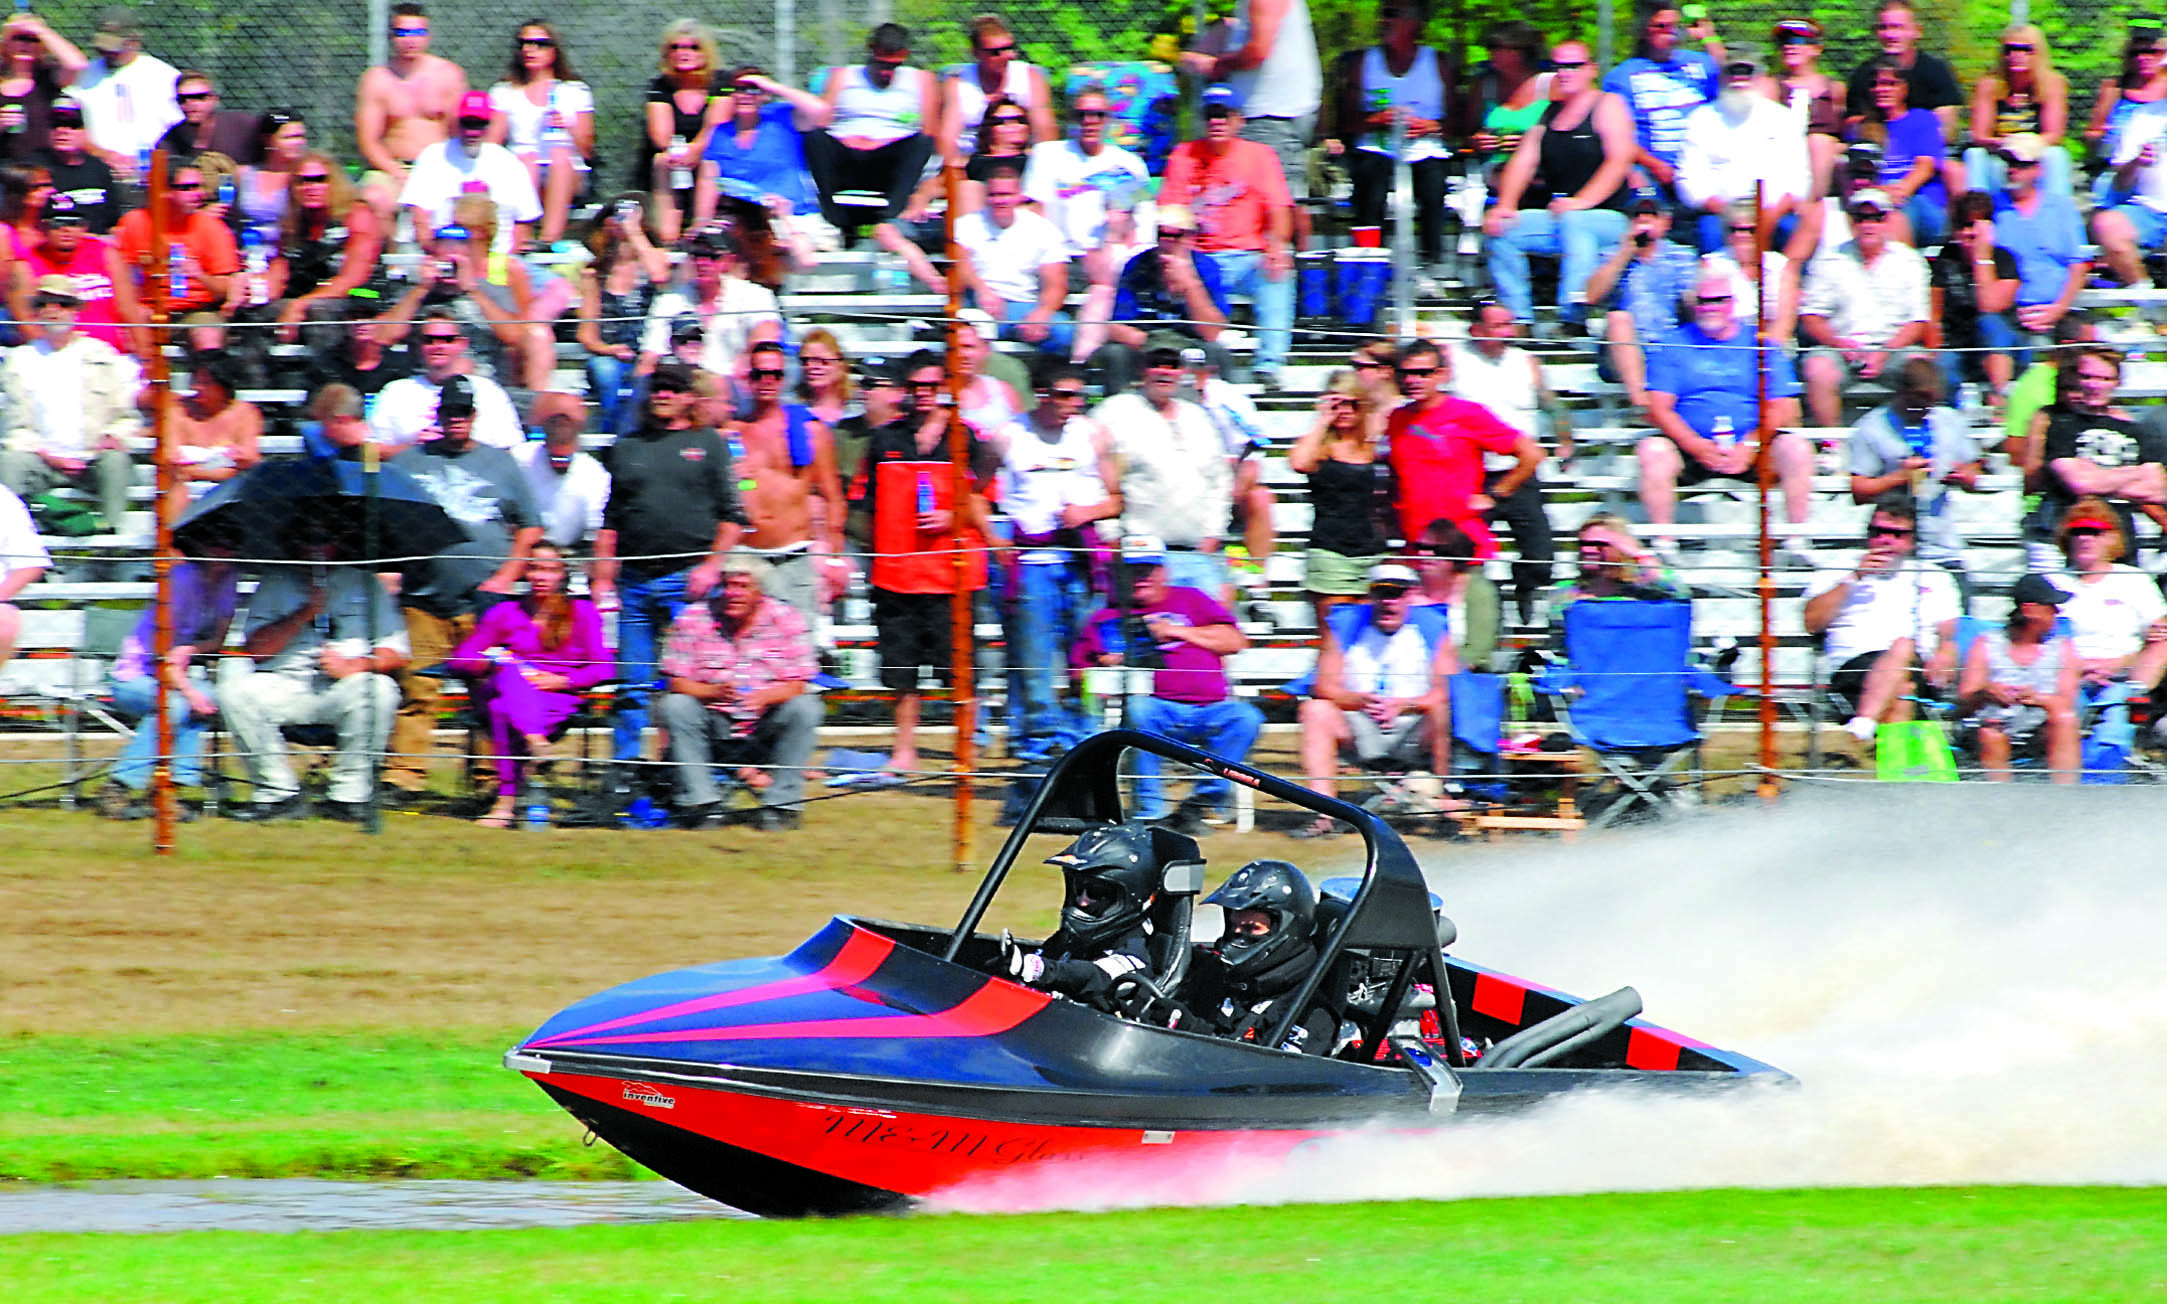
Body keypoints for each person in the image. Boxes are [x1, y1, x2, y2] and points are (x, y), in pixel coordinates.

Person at [382, 373, 543, 804]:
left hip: (484, 601)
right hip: (423, 596)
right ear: (440, 414)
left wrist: (508, 575)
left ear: (473, 416)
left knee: (488, 693)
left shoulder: (501, 464)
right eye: (450, 411)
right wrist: (390, 567)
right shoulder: (409, 463)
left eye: (464, 412)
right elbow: (381, 520)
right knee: (418, 689)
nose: (457, 419)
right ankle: (404, 777)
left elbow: (530, 526)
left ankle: (493, 778)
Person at [591, 359, 749, 767]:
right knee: (631, 685)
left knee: (695, 682)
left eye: (673, 388)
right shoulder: (627, 448)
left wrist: (712, 566)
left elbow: (733, 515)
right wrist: (602, 577)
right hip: (636, 581)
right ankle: (625, 771)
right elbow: (612, 519)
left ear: (689, 397)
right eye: (658, 387)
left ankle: (693, 766)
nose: (663, 394)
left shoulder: (709, 444)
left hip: (690, 578)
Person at [854, 349, 998, 778]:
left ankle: (964, 750)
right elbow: (862, 505)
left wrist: (952, 517)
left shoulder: (966, 439)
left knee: (959, 673)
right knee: (901, 673)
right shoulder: (883, 440)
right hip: (895, 576)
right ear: (904, 390)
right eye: (915, 386)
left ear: (945, 389)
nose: (923, 394)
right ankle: (904, 751)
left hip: (950, 576)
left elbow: (985, 502)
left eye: (931, 386)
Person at [219, 520, 408, 822]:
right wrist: (306, 611)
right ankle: (277, 794)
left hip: (343, 686)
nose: (315, 547)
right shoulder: (275, 583)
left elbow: (396, 652)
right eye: (306, 538)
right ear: (292, 542)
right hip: (284, 683)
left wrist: (353, 665)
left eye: (324, 538)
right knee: (235, 692)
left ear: (340, 541)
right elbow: (256, 650)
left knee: (380, 690)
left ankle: (349, 796)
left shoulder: (366, 584)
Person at [1077, 535, 1258, 831]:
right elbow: (1083, 669)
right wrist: (1109, 661)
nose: (1140, 578)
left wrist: (1177, 632)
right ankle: (1150, 812)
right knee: (1138, 710)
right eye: (1132, 570)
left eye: (1147, 569)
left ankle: (1199, 805)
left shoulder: (1191, 599)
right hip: (1156, 709)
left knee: (1246, 718)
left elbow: (1235, 641)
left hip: (1211, 708)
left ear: (1162, 570)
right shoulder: (1107, 615)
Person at [991, 360, 1117, 764]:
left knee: (1089, 653)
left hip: (1080, 557)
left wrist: (1088, 512)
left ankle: (1087, 731)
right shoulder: (1009, 436)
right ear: (1041, 394)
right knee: (1034, 658)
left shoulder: (1093, 435)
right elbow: (973, 493)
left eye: (1079, 395)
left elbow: (1117, 498)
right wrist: (994, 539)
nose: (1073, 403)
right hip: (1031, 560)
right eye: (1064, 394)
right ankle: (1039, 740)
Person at [1638, 272, 1813, 546]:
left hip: (1754, 449)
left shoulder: (1763, 345)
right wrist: (1695, 445)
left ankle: (1797, 540)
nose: (1709, 307)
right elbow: (1659, 408)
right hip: (1689, 450)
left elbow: (1780, 406)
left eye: (1718, 300)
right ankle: (1663, 542)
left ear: (1732, 303)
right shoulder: (1670, 345)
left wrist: (1751, 444)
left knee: (1797, 448)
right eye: (1703, 301)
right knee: (1652, 450)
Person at [446, 542, 609, 826]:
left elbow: (603, 667)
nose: (540, 577)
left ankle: (506, 803)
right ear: (524, 572)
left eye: (549, 569)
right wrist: (492, 663)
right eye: (534, 568)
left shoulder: (582, 613)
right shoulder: (505, 612)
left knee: (501, 708)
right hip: (510, 688)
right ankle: (536, 743)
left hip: (554, 697)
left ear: (563, 574)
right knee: (508, 671)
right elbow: (459, 659)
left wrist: (562, 680)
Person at [653, 555, 820, 831]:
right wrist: (712, 691)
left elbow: (799, 683)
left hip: (766, 723)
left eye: (743, 586)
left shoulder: (787, 619)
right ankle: (702, 805)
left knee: (806, 707)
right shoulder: (694, 618)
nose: (733, 593)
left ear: (760, 592)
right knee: (676, 705)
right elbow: (676, 681)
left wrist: (765, 697)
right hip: (712, 720)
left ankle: (782, 807)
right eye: (728, 585)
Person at [1295, 562, 1455, 837]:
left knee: (1442, 709)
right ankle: (1324, 813)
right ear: (1371, 596)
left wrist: (1404, 704)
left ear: (1409, 596)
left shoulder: (1432, 629)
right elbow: (1324, 685)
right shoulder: (1345, 627)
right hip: (1359, 723)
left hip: (1413, 726)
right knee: (1314, 710)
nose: (1388, 602)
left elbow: (1446, 689)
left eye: (1396, 594)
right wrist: (1359, 700)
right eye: (1382, 593)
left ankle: (1446, 807)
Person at [1484, 40, 1634, 331]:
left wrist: (1581, 203)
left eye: (1573, 66)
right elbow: (1524, 161)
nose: (1564, 73)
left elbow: (1619, 161)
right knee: (1501, 231)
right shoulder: (1548, 114)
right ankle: (1519, 319)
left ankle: (1572, 314)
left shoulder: (1608, 105)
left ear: (1591, 69)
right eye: (1558, 66)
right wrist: (1504, 206)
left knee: (1574, 222)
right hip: (1562, 217)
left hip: (1609, 219)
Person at [1802, 493, 1959, 755]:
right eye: (1878, 532)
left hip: (1917, 665)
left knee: (1903, 649)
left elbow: (1948, 631)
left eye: (1897, 534)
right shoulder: (1838, 570)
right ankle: (1902, 782)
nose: (1885, 540)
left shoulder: (1935, 576)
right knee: (1902, 691)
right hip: (1854, 668)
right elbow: (1812, 623)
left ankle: (1861, 729)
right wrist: (1855, 577)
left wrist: (1945, 650)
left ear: (1912, 540)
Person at [1157, 85, 1294, 384]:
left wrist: (1277, 244)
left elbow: (1280, 209)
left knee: (1279, 273)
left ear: (1239, 120)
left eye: (1224, 115)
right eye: (1211, 115)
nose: (1217, 122)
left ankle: (1269, 365)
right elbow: (1170, 214)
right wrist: (1180, 256)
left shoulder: (1260, 156)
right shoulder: (1184, 155)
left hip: (1248, 257)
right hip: (1198, 256)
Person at [93, 544, 239, 819]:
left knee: (200, 702)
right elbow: (162, 658)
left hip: (177, 675)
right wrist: (188, 690)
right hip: (133, 677)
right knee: (175, 706)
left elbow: (217, 640)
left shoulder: (229, 579)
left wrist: (190, 650)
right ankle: (118, 787)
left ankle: (166, 791)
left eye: (231, 545)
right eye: (216, 545)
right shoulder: (180, 581)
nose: (224, 552)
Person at [1449, 303, 1573, 623]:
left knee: (1541, 554)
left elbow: (1550, 402)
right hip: (1471, 473)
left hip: (1520, 471)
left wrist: (1565, 438)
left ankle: (1525, 586)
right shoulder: (1453, 359)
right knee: (1464, 553)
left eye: (1510, 324)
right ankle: (1476, 611)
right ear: (1475, 329)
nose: (1507, 332)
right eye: (1498, 326)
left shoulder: (1524, 361)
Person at [0, 274, 139, 533]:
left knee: (117, 461)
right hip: (40, 459)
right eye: (44, 304)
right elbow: (16, 427)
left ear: (76, 310)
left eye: (62, 303)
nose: (52, 311)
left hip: (93, 457)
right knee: (9, 462)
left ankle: (109, 535)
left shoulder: (102, 354)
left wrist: (112, 437)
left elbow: (126, 416)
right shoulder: (20, 360)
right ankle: (15, 540)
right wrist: (49, 456)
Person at [1383, 338, 1541, 564]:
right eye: (1406, 373)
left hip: (1462, 543)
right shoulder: (1397, 419)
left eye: (1423, 373)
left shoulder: (1467, 414)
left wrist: (1495, 494)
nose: (1413, 380)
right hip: (1417, 544)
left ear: (1442, 374)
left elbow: (1532, 454)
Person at [1022, 82, 1148, 363]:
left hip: (1108, 258)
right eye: (1082, 115)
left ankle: (1081, 361)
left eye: (1098, 115)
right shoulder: (1047, 156)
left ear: (1109, 118)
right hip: (1058, 256)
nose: (1090, 121)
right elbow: (1034, 213)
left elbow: (1139, 225)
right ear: (1071, 118)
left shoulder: (1129, 165)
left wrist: (1108, 250)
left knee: (1104, 282)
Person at [1093, 345, 1232, 597]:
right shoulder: (1115, 412)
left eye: (1173, 366)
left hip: (1198, 554)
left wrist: (1213, 533)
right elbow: (1095, 477)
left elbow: (1219, 480)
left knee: (1211, 628)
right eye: (1156, 364)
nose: (1164, 372)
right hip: (1141, 558)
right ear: (1142, 370)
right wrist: (1110, 536)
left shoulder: (1198, 417)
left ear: (1183, 373)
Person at [1183, 0, 1322, 250]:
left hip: (1271, 117)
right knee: (1279, 205)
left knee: (1271, 213)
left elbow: (1258, 50)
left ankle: (1290, 279)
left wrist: (1215, 65)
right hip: (1269, 116)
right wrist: (1227, 31)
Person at [725, 339, 847, 625]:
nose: (767, 381)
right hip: (747, 557)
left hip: (794, 555)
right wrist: (742, 483)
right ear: (747, 378)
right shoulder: (733, 433)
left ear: (784, 377)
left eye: (775, 374)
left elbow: (833, 497)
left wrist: (834, 558)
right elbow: (741, 491)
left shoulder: (808, 430)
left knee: (798, 652)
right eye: (759, 374)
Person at [805, 24, 938, 284]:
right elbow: (822, 120)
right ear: (870, 52)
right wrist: (846, 139)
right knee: (814, 138)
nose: (887, 72)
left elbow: (930, 130)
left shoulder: (921, 80)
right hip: (847, 157)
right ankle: (836, 218)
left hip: (888, 160)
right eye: (881, 64)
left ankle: (890, 217)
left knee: (921, 142)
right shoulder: (844, 77)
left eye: (894, 66)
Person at [1332, 1, 1452, 273]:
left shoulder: (1439, 62)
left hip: (1425, 148)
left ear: (1414, 22)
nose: (1384, 22)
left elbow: (1458, 120)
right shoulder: (1363, 62)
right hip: (1378, 147)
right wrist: (1376, 120)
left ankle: (1431, 266)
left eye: (1392, 15)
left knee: (1433, 189)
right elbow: (1344, 121)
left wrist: (1429, 125)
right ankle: (1368, 261)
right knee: (1369, 186)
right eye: (1382, 15)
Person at [2023, 346, 2167, 568]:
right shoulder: (2060, 423)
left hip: (2119, 536)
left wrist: (2098, 478)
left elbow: (2157, 488)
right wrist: (2134, 473)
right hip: (2065, 534)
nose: (2093, 384)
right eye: (2087, 376)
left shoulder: (2135, 428)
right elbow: (2079, 483)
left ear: (2116, 382)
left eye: (2104, 378)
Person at [1798, 187, 1930, 428]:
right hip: (1840, 348)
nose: (1869, 225)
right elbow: (1811, 316)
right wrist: (1840, 344)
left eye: (1876, 217)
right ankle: (1832, 445)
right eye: (1861, 218)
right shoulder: (1829, 260)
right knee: (1817, 368)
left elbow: (1918, 321)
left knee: (1921, 367)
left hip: (1893, 349)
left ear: (1887, 220)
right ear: (1852, 222)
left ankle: (1914, 441)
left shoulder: (1910, 262)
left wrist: (1885, 351)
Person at [996, 821, 1162, 1007]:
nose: (1081, 901)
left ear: (1128, 898)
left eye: (1096, 892)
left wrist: (1038, 969)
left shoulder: (1134, 956)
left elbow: (1094, 976)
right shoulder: (1070, 941)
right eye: (1078, 888)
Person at [1179, 859, 1335, 1054]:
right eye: (1233, 927)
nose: (1237, 937)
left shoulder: (1307, 1013)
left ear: (1287, 929)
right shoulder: (1215, 975)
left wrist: (1194, 1032)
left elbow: (1267, 1080)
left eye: (1251, 928)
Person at [1847, 358, 1984, 578]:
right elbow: (1859, 490)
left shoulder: (1950, 420)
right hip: (1892, 553)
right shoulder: (1872, 428)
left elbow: (1974, 467)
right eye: (1918, 401)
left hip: (1943, 548)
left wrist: (1967, 476)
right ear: (1901, 392)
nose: (1926, 409)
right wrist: (1899, 477)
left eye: (1931, 402)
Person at [2047, 498, 2167, 728]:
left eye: (2094, 531)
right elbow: (2037, 641)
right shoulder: (2052, 582)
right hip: (2065, 677)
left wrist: (2117, 664)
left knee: (2163, 644)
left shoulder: (2134, 580)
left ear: (2112, 537)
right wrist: (2078, 668)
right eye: (2077, 531)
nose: (2084, 538)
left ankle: (2132, 704)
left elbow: (2159, 635)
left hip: (2124, 674)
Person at [1675, 47, 1807, 251]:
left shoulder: (1782, 118)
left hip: (1774, 213)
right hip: (1721, 214)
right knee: (1709, 233)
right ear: (1722, 77)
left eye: (1746, 72)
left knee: (1795, 230)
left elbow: (1799, 181)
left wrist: (1771, 214)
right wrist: (1727, 213)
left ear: (1760, 77)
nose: (1739, 79)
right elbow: (1689, 181)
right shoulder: (1701, 119)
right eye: (1732, 72)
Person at [691, 67, 831, 259]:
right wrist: (701, 223)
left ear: (764, 95)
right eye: (738, 89)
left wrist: (771, 86)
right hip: (749, 223)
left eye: (752, 89)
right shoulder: (720, 134)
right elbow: (708, 181)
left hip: (794, 216)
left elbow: (821, 111)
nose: (745, 95)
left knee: (805, 251)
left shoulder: (782, 117)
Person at [1956, 571, 2079, 784]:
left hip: (2040, 730)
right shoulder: (1986, 644)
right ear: (2030, 610)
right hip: (1991, 725)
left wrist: (2037, 698)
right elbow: (1963, 704)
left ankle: (2066, 793)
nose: (2057, 612)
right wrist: (1986, 693)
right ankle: (2002, 799)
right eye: (2051, 607)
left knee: (2065, 719)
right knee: (1991, 732)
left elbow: (2066, 702)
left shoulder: (2062, 648)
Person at [1582, 190, 1698, 409]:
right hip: (1620, 351)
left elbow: (1693, 301)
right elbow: (1590, 296)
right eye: (1637, 215)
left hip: (1667, 346)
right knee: (1619, 319)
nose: (1643, 220)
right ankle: (1641, 401)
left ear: (1665, 222)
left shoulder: (1682, 256)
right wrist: (1626, 253)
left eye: (1651, 214)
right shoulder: (1610, 256)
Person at [1289, 370, 1385, 628]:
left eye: (1350, 403)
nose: (1343, 410)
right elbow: (1298, 463)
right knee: (1336, 638)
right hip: (1331, 553)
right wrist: (1322, 420)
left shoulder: (1370, 447)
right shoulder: (1319, 447)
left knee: (1367, 638)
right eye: (1336, 403)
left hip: (1368, 554)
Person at [484, 22, 594, 247]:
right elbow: (491, 144)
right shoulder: (505, 91)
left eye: (539, 44)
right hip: (522, 167)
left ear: (554, 51)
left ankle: (548, 240)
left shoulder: (573, 90)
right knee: (527, 160)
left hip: (566, 170)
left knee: (560, 157)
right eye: (523, 43)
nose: (529, 49)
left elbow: (587, 150)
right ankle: (522, 241)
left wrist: (569, 127)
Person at [1602, 1, 1720, 208]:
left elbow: (1736, 82)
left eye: (1674, 26)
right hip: (1653, 171)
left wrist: (1709, 38)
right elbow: (1617, 135)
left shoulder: (1701, 64)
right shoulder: (1622, 77)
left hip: (1703, 169)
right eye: (1662, 27)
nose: (1671, 33)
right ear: (1646, 30)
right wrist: (1654, 165)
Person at [354, 3, 468, 217]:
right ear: (392, 36)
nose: (410, 39)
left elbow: (460, 131)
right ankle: (387, 249)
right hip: (392, 169)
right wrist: (396, 172)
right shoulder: (377, 79)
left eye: (417, 32)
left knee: (469, 204)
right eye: (403, 32)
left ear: (428, 35)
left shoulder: (448, 75)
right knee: (372, 199)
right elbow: (368, 141)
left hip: (440, 167)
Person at [1099, 209, 1230, 394]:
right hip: (1145, 340)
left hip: (1190, 341)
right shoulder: (1137, 265)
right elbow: (1115, 326)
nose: (1167, 241)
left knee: (1217, 352)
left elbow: (1212, 331)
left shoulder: (1207, 268)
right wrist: (1153, 343)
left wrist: (1190, 285)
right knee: (1115, 353)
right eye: (1162, 234)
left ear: (1190, 237)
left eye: (1175, 235)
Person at [643, 223, 782, 391]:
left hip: (735, 386)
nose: (703, 262)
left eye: (712, 256)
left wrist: (746, 358)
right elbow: (650, 355)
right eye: (697, 254)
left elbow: (767, 337)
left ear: (728, 260)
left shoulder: (755, 295)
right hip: (683, 387)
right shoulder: (669, 300)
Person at [399, 90, 542, 252]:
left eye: (479, 125)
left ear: (489, 125)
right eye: (467, 123)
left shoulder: (509, 163)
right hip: (445, 255)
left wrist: (507, 261)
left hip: (496, 259)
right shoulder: (433, 156)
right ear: (458, 122)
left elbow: (524, 221)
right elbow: (418, 216)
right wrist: (435, 253)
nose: (472, 132)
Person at [574, 197, 669, 435]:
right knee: (606, 373)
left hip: (653, 353)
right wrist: (611, 349)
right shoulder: (594, 273)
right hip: (612, 355)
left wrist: (634, 232)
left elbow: (659, 276)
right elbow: (586, 333)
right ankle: (615, 437)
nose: (622, 222)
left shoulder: (656, 258)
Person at [367, 307, 523, 451]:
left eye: (447, 339)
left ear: (463, 344)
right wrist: (413, 449)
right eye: (429, 340)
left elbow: (512, 451)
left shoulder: (489, 392)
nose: (438, 346)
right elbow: (370, 454)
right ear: (418, 345)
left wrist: (468, 449)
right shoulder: (396, 392)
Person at [954, 163, 1070, 356]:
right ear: (986, 196)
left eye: (1006, 195)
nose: (1000, 201)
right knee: (970, 331)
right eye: (994, 195)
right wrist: (982, 290)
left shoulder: (1044, 230)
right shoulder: (967, 225)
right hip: (980, 304)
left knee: (1065, 331)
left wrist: (1042, 313)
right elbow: (960, 263)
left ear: (1019, 196)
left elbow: (1056, 284)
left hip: (1025, 306)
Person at [1992, 135, 2088, 359]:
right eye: (2007, 163)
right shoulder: (1990, 208)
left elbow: (2078, 266)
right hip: (2008, 313)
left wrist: (2058, 309)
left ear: (2038, 169)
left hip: (2059, 312)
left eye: (2020, 164)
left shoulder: (2062, 208)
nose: (2011, 170)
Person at [272, 152, 385, 340]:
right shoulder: (293, 224)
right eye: (303, 181)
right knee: (261, 314)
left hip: (358, 296)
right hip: (305, 297)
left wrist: (300, 304)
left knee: (319, 313)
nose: (311, 187)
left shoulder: (357, 214)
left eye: (319, 180)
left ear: (333, 183)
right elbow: (277, 273)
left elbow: (353, 278)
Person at [10, 191, 136, 354]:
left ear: (84, 226)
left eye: (74, 222)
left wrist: (147, 358)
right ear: (42, 226)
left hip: (109, 355)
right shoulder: (25, 264)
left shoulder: (105, 253)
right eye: (57, 223)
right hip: (57, 356)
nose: (66, 229)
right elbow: (27, 322)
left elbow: (130, 310)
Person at [113, 156, 237, 317]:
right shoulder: (133, 222)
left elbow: (226, 288)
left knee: (206, 332)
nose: (198, 194)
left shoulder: (212, 226)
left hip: (196, 309)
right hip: (146, 310)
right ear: (163, 191)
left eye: (199, 187)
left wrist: (200, 275)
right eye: (187, 188)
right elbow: (120, 277)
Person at [1852, 54, 1954, 246]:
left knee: (1897, 215)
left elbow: (1925, 168)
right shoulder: (1861, 128)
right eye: (1874, 84)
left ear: (1904, 88)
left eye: (1889, 83)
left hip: (1918, 202)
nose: (1881, 89)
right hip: (1873, 204)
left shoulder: (1922, 120)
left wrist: (1900, 191)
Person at [70, 8, 176, 184]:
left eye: (115, 46)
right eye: (102, 45)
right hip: (95, 170)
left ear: (134, 40)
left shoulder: (163, 76)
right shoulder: (84, 74)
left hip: (151, 174)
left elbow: (177, 131)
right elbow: (72, 127)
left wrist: (144, 160)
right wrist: (105, 155)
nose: (107, 51)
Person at [1932, 190, 2020, 400]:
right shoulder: (1946, 258)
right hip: (1959, 346)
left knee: (1989, 323)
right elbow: (1933, 312)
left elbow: (1989, 304)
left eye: (1976, 225)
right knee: (1942, 368)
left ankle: (1999, 400)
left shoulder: (2004, 259)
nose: (1969, 233)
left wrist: (1982, 256)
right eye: (1964, 225)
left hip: (2006, 348)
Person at [1965, 26, 2070, 200]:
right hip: (2000, 153)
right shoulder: (1989, 86)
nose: (2017, 55)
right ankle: (1977, 213)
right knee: (1974, 154)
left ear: (2038, 53)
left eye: (2025, 49)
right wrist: (2008, 145)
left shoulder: (2052, 84)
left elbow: (2054, 135)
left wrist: (2025, 145)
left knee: (2056, 155)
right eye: (2010, 49)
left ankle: (2058, 214)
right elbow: (1979, 135)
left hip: (2035, 153)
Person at [943, 14, 1055, 167]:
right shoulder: (958, 83)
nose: (1007, 56)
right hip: (970, 162)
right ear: (976, 53)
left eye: (1009, 48)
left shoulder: (1030, 77)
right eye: (995, 52)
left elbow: (1045, 131)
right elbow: (948, 137)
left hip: (1020, 161)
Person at [1844, 1, 1964, 137]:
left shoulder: (1936, 71)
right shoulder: (1864, 73)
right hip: (1877, 146)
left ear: (1917, 31)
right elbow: (1852, 125)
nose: (1890, 35)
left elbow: (1947, 128)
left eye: (1897, 27)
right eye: (1883, 28)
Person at [162, 353, 262, 515]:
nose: (196, 388)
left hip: (232, 486)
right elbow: (171, 459)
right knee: (175, 489)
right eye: (195, 381)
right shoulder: (178, 411)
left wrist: (190, 469)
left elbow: (249, 458)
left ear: (223, 385)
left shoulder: (245, 413)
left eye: (205, 383)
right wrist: (224, 463)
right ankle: (174, 536)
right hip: (180, 486)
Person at [2092, 88, 2167, 287]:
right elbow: (2120, 184)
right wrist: (2137, 162)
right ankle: (2148, 303)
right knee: (2108, 224)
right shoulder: (2144, 117)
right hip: (2150, 210)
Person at [516, 391, 609, 549]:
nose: (560, 463)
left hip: (568, 554)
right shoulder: (519, 459)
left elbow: (594, 530)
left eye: (565, 458)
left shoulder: (595, 475)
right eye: (555, 457)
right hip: (523, 548)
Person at [1409, 517, 1502, 669]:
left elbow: (1477, 650)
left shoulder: (1478, 590)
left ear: (1455, 554)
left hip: (1462, 676)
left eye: (1437, 550)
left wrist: (1440, 673)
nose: (1424, 553)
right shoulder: (1407, 586)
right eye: (1420, 546)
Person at [1768, 17, 1844, 201]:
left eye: (1798, 41)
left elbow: (1845, 133)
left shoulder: (1834, 89)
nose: (1789, 46)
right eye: (1784, 42)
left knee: (1820, 143)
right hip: (1782, 161)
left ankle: (1812, 205)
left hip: (1824, 167)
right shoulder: (1770, 86)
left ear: (1816, 48)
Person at [1700, 198, 1798, 340]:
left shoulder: (1780, 266)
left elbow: (1785, 320)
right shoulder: (1711, 264)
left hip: (1775, 347)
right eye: (1735, 229)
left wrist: (1767, 353)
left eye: (1750, 230)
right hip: (1726, 345)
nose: (1742, 235)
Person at [1555, 512, 1690, 611]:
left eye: (1598, 544)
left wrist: (1638, 555)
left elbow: (1681, 593)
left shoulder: (1644, 591)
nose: (1587, 550)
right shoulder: (1565, 591)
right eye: (1583, 543)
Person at [0, 11, 83, 165]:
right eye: (19, 38)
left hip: (43, 168)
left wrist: (41, 30)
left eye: (33, 39)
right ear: (6, 43)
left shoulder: (48, 77)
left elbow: (76, 64)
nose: (26, 44)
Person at [2088, 27, 2167, 165]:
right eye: (2135, 53)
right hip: (2118, 168)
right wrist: (2103, 139)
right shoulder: (2113, 89)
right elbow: (2092, 135)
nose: (2142, 58)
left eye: (2151, 52)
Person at [36, 96, 116, 233]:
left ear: (84, 131)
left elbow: (113, 222)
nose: (62, 130)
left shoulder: (99, 169)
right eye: (55, 124)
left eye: (72, 125)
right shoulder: (36, 169)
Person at [233, 109, 307, 250]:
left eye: (301, 137)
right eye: (289, 138)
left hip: (287, 256)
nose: (298, 142)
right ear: (268, 139)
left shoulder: (304, 177)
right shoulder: (243, 174)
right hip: (246, 253)